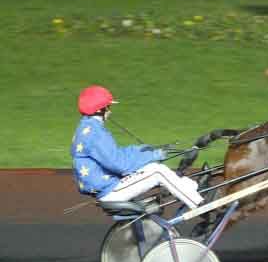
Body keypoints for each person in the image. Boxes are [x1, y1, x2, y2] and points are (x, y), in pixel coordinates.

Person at [71, 85, 203, 209]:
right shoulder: (95, 133)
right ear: (99, 109)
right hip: (110, 190)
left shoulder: (86, 128)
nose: (110, 112)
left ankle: (193, 188)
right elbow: (119, 164)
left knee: (153, 169)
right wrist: (151, 155)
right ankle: (198, 205)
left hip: (106, 187)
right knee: (157, 171)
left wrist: (140, 150)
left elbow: (116, 155)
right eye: (108, 107)